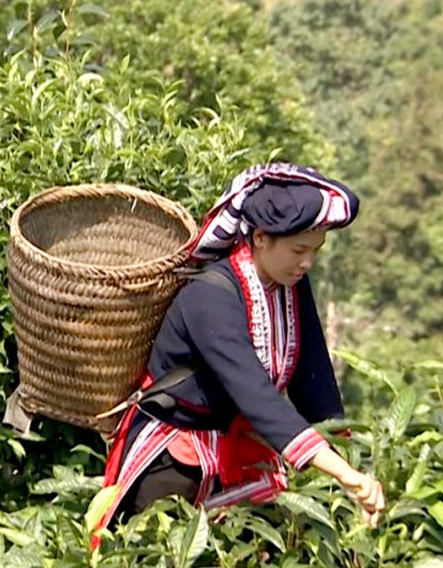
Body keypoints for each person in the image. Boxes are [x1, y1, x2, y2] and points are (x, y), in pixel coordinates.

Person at [94, 163, 385, 538]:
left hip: (242, 449)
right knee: (159, 547)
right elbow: (256, 394)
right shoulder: (210, 296)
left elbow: (315, 384)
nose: (307, 262)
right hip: (175, 457)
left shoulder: (292, 286)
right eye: (299, 250)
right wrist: (341, 472)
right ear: (260, 237)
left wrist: (350, 461)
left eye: (315, 250)